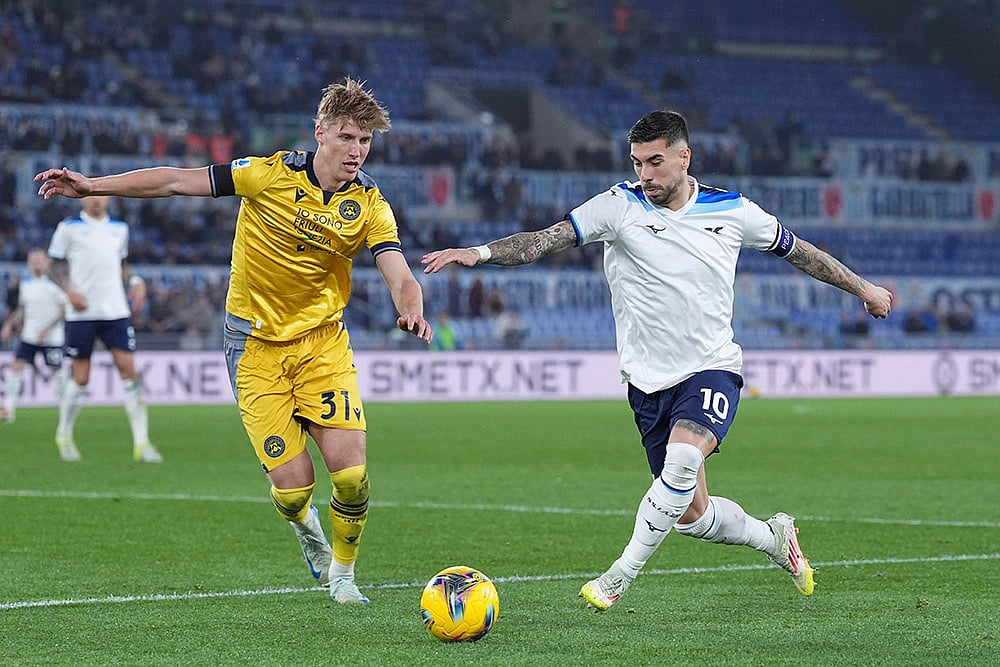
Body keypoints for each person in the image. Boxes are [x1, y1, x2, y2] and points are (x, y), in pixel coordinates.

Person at [423, 109, 892, 611]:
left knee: (684, 456)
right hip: (647, 382)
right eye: (637, 163)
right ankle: (774, 539)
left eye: (655, 162)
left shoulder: (732, 211)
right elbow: (547, 239)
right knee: (693, 515)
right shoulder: (618, 206)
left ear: (684, 157)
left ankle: (618, 576)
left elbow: (801, 252)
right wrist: (482, 252)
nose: (645, 175)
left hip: (711, 366)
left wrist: (864, 288)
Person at [35, 77, 433, 604]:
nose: (356, 150)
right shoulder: (265, 174)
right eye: (346, 137)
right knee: (293, 492)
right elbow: (176, 181)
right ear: (320, 134)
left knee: (353, 476)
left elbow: (397, 269)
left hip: (322, 345)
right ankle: (306, 529)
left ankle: (343, 574)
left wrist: (411, 308)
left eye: (364, 141)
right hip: (254, 348)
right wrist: (93, 186)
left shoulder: (369, 206)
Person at [44, 196, 159, 463]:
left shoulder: (119, 228)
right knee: (81, 377)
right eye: (90, 196)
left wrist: (135, 279)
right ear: (82, 199)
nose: (96, 200)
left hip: (115, 311)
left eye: (100, 195)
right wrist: (68, 291)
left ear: (107, 197)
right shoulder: (68, 227)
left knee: (130, 373)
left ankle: (142, 443)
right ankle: (64, 434)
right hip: (81, 313)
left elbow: (121, 265)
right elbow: (52, 267)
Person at [1, 249, 68, 424]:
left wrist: (48, 328)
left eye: (40, 260)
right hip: (30, 335)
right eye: (34, 260)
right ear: (29, 263)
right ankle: (8, 410)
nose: (37, 263)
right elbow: (23, 309)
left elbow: (64, 310)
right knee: (15, 368)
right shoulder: (26, 284)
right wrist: (9, 324)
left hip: (52, 337)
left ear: (46, 263)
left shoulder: (54, 284)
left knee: (58, 371)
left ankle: (66, 409)